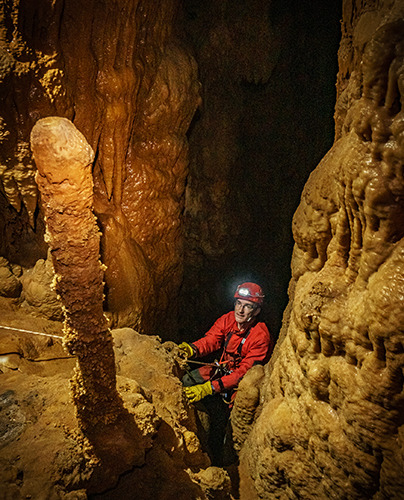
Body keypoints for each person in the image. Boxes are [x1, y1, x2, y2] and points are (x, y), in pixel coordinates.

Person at [179, 282, 273, 464]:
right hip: (223, 369)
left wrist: (209, 388)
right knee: (187, 380)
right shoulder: (228, 319)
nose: (241, 310)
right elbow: (212, 340)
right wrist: (192, 350)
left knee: (231, 427)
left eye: (248, 306)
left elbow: (243, 374)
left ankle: (224, 460)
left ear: (256, 311)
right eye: (239, 303)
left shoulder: (260, 336)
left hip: (243, 385)